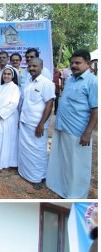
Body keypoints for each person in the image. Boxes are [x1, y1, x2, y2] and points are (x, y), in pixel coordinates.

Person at [46, 50, 98, 199]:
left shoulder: (92, 81)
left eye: (78, 63)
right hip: (62, 127)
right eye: (72, 62)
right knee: (62, 161)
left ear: (87, 64)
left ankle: (76, 194)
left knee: (78, 165)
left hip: (78, 131)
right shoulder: (70, 79)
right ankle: (61, 187)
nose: (74, 65)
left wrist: (88, 133)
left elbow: (95, 109)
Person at [17, 57, 55, 190]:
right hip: (25, 121)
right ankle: (26, 174)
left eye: (35, 66)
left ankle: (38, 177)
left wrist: (41, 124)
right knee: (25, 150)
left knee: (38, 152)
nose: (32, 68)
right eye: (30, 66)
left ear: (41, 67)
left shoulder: (47, 83)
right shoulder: (28, 82)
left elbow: (49, 105)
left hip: (37, 125)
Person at [0, 66, 20, 170]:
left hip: (8, 118)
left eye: (8, 74)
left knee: (7, 140)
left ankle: (7, 163)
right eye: (4, 74)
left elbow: (13, 104)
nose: (6, 76)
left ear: (12, 76)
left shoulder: (15, 88)